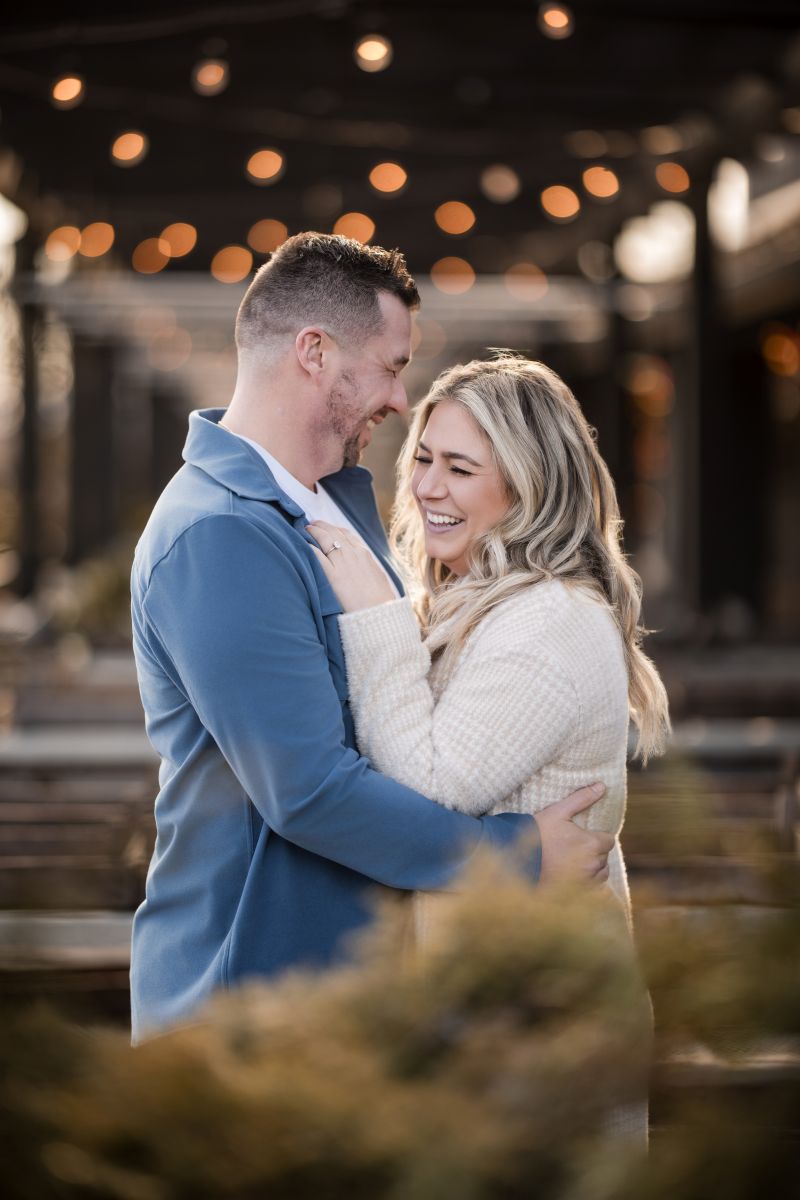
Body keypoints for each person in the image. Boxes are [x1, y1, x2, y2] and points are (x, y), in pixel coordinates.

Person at [129, 234, 613, 1043]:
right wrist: (516, 859)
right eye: (391, 365)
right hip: (250, 992)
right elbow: (311, 790)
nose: (400, 395)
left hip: (343, 989)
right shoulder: (218, 534)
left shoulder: (327, 509)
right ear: (314, 352)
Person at [309, 354, 671, 1139]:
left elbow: (431, 791)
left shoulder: (547, 621)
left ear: (528, 485)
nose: (428, 488)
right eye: (425, 460)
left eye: (462, 469)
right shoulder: (481, 602)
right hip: (491, 999)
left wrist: (374, 616)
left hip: (541, 1015)